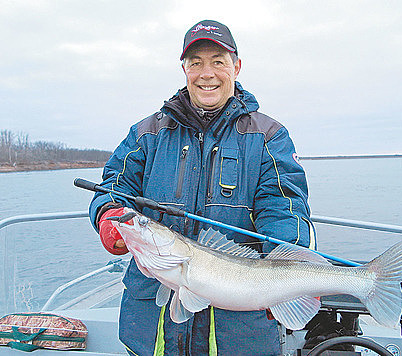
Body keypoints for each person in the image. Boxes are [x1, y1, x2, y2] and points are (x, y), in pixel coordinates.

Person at [89, 19, 316, 356]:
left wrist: (285, 277)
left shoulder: (269, 136)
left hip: (238, 332)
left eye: (218, 62)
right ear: (184, 70)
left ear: (236, 67)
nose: (207, 73)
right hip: (152, 325)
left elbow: (285, 210)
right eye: (196, 63)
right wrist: (109, 217)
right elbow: (112, 188)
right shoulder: (146, 133)